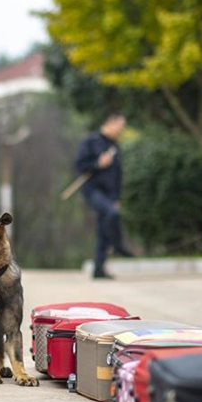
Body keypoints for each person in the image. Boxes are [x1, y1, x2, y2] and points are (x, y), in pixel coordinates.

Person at [74, 112, 133, 279]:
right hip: (93, 190)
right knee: (111, 213)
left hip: (109, 194)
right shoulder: (91, 141)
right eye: (120, 127)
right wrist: (98, 163)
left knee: (103, 227)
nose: (121, 130)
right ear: (110, 123)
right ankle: (118, 244)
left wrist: (116, 198)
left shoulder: (114, 146)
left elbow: (117, 175)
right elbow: (79, 165)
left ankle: (98, 269)